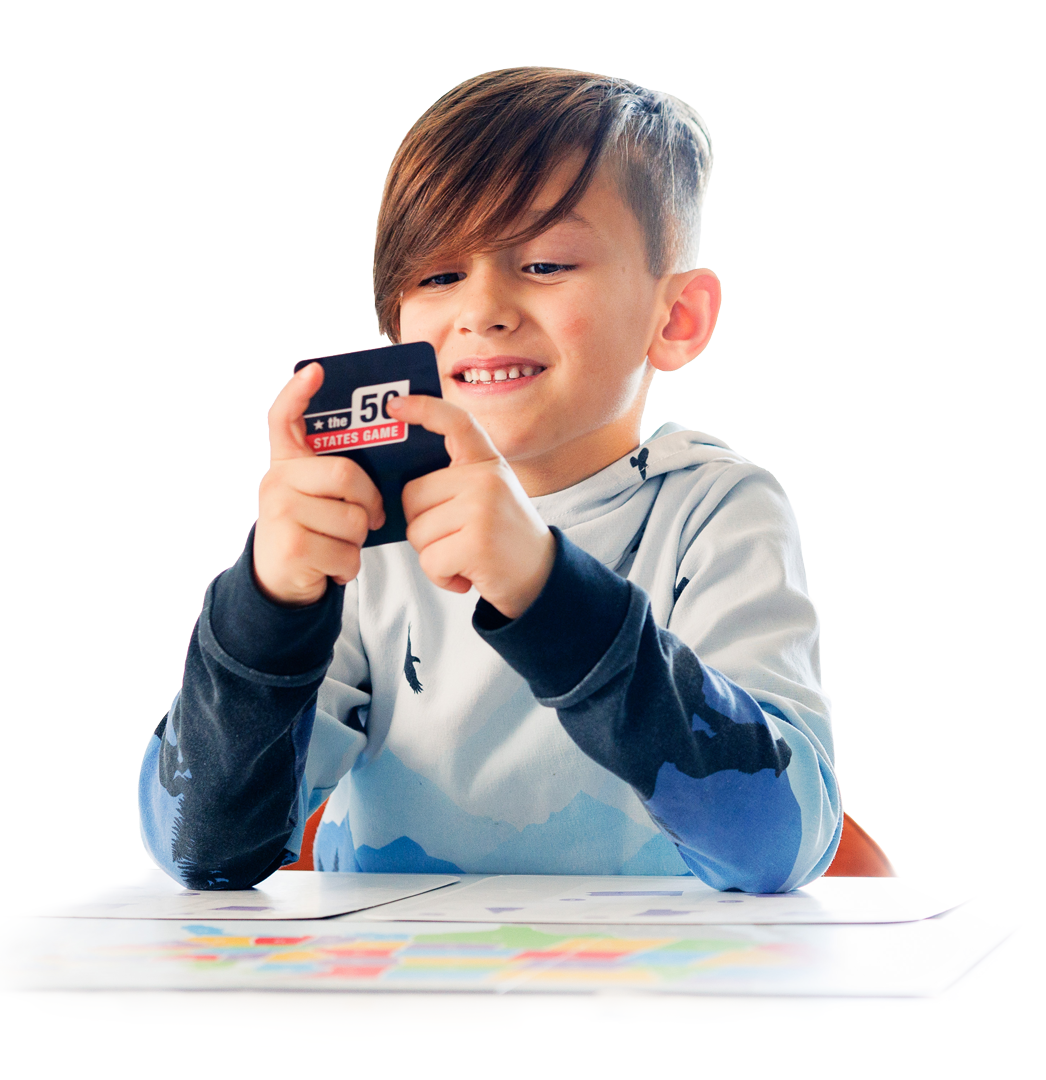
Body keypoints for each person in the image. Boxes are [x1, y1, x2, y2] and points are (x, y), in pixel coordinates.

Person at [139, 67, 841, 893]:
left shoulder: (717, 511)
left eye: (545, 263)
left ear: (675, 317)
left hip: (650, 1000)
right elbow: (202, 854)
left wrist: (549, 592)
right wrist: (268, 607)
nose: (483, 308)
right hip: (396, 1002)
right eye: (438, 276)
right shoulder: (364, 527)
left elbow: (778, 846)